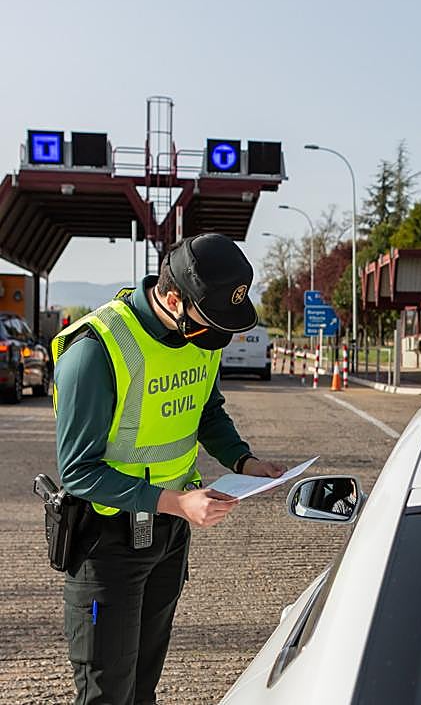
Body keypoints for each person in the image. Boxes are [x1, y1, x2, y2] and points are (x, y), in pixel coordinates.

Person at [52, 233, 286, 705]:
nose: (219, 337)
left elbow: (207, 411)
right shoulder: (96, 350)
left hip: (168, 538)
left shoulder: (200, 334)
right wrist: (178, 502)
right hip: (107, 544)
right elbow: (79, 471)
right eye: (211, 322)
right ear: (173, 298)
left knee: (142, 687)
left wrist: (243, 459)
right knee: (106, 692)